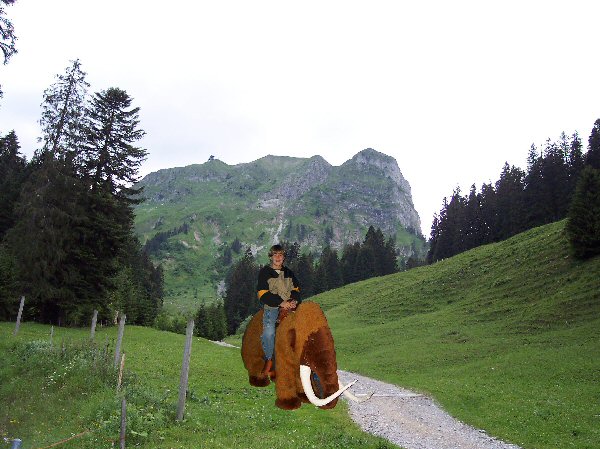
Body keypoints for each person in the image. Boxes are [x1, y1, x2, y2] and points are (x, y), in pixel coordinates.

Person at [256, 244, 301, 376]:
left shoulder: (289, 273)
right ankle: (269, 359)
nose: (278, 257)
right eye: (275, 255)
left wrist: (293, 301)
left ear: (283, 257)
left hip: (290, 308)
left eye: (280, 255)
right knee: (269, 333)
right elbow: (262, 294)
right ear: (271, 257)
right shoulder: (265, 272)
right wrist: (281, 303)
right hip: (272, 308)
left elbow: (296, 290)